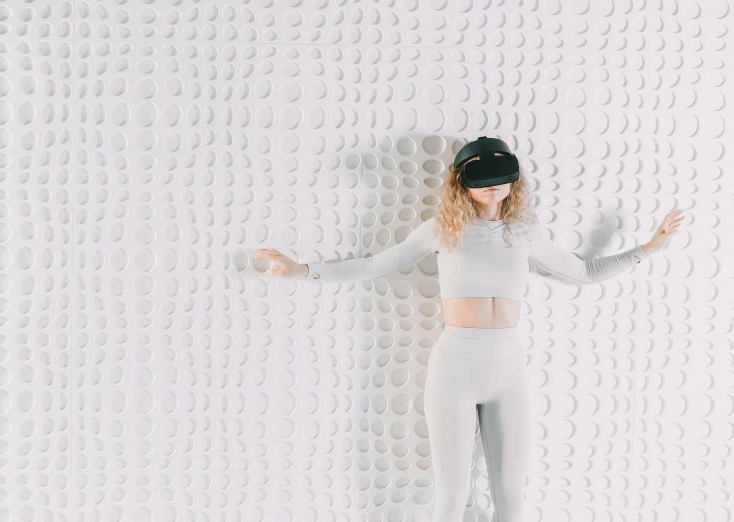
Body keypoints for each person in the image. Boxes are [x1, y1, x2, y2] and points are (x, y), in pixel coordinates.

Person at [255, 136, 685, 522]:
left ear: (514, 179)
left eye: (501, 175)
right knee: (451, 498)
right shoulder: (442, 231)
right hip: (455, 367)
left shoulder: (526, 234)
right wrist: (302, 270)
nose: (492, 185)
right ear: (462, 184)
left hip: (508, 368)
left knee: (512, 498)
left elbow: (585, 271)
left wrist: (649, 248)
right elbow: (373, 265)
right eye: (480, 177)